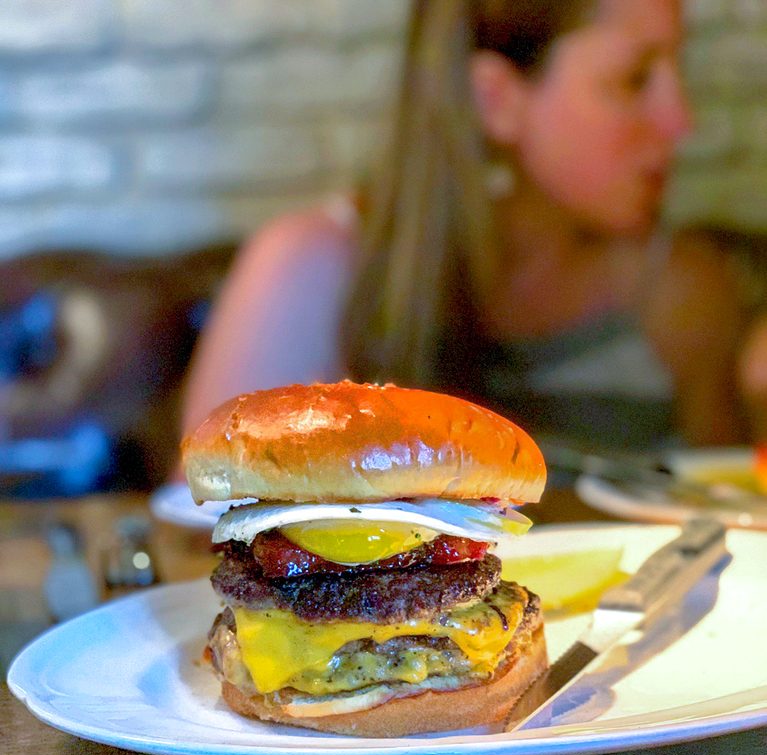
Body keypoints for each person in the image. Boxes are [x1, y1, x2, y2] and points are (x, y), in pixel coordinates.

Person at [181, 0, 767, 451]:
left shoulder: (682, 286)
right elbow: (205, 528)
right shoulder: (311, 269)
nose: (681, 120)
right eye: (636, 79)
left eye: (677, 70)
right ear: (496, 99)